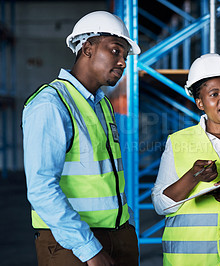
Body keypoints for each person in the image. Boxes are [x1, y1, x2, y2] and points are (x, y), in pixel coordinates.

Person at [22, 11, 141, 265]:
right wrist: (90, 249)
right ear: (87, 48)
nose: (122, 62)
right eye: (115, 51)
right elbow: (42, 188)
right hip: (72, 244)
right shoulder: (51, 103)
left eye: (125, 56)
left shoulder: (103, 105)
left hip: (117, 235)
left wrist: (125, 227)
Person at [151, 53, 220, 265]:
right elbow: (160, 205)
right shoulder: (178, 142)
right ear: (200, 103)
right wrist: (192, 178)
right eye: (214, 94)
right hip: (191, 258)